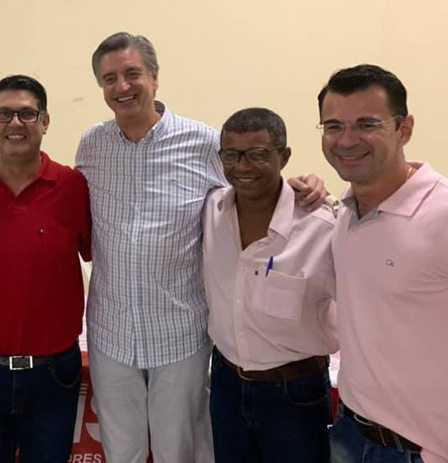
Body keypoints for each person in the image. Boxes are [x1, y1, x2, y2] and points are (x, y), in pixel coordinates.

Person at [74, 32, 326, 463]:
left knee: (179, 453)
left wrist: (307, 184)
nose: (122, 86)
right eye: (109, 78)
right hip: (110, 332)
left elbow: (254, 183)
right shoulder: (91, 146)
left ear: (155, 77)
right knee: (121, 452)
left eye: (132, 74)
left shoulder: (204, 142)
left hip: (180, 334)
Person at [0, 75, 92, 463]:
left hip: (53, 374)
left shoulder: (74, 187)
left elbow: (93, 250)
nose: (15, 123)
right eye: (4, 114)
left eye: (27, 114)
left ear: (45, 121)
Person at [320, 64, 448, 463]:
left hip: (421, 451)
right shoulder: (345, 212)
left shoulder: (442, 214)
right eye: (333, 126)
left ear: (404, 129)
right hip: (350, 433)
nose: (347, 140)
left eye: (367, 124)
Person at [203, 107, 338, 463]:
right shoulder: (211, 211)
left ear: (285, 156)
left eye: (257, 154)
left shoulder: (323, 227)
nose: (242, 167)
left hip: (294, 392)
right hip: (227, 384)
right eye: (231, 155)